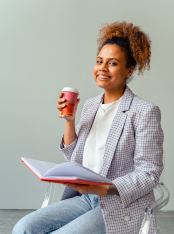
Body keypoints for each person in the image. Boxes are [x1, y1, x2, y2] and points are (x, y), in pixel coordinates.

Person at [13, 21, 163, 234]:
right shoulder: (91, 105)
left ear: (129, 69)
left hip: (119, 203)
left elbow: (150, 173)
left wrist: (104, 188)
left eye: (112, 63)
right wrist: (70, 120)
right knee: (23, 228)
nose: (102, 68)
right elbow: (75, 158)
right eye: (99, 61)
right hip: (86, 198)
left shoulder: (144, 111)